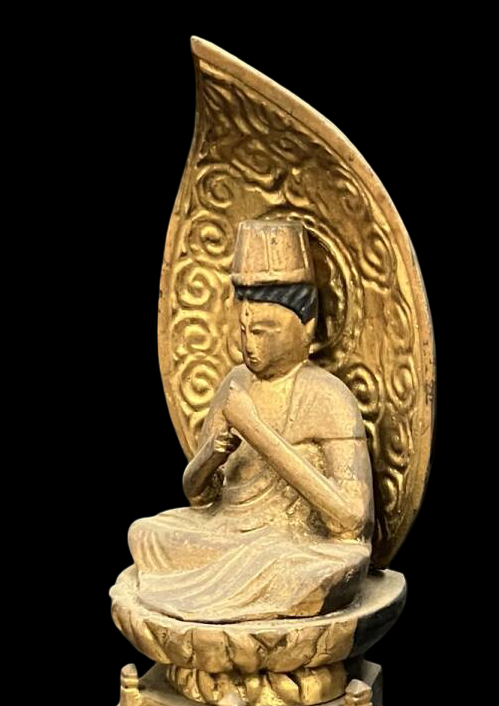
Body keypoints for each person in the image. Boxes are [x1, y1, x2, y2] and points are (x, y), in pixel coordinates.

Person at [128, 221, 374, 623]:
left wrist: (255, 431)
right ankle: (224, 590)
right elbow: (197, 496)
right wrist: (212, 454)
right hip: (227, 532)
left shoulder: (328, 396)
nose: (249, 345)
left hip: (292, 547)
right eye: (243, 330)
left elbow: (351, 521)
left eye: (262, 331)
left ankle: (229, 594)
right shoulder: (235, 383)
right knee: (146, 534)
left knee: (307, 572)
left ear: (307, 326)